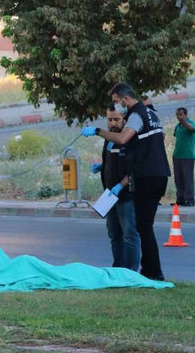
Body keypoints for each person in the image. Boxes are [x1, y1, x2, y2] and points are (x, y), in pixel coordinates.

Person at [81, 82, 171, 281]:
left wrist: (97, 130)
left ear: (124, 98)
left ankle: (151, 272)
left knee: (141, 227)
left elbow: (123, 139)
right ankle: (149, 270)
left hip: (148, 176)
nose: (116, 105)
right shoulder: (150, 114)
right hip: (156, 174)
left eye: (116, 102)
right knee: (143, 225)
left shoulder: (137, 114)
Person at [91, 104, 139, 271]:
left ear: (124, 119)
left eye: (116, 119)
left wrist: (120, 185)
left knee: (129, 235)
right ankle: (118, 268)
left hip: (125, 195)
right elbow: (113, 162)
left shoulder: (129, 139)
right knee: (114, 235)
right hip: (109, 195)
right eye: (110, 119)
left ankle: (131, 271)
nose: (113, 123)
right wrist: (102, 167)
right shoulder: (109, 139)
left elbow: (134, 169)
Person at [172, 107, 195, 207]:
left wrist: (185, 122)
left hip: (188, 156)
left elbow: (191, 129)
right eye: (177, 115)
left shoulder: (190, 123)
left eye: (181, 115)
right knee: (178, 179)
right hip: (177, 155)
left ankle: (190, 200)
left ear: (186, 115)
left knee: (188, 179)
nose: (179, 117)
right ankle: (180, 199)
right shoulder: (178, 126)